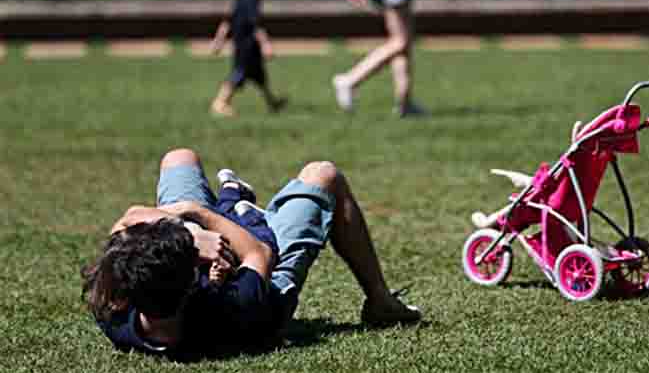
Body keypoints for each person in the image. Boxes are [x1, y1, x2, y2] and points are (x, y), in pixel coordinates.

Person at [82, 148, 421, 358]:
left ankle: (227, 198)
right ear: (192, 282)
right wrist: (198, 217)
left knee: (179, 158)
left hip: (193, 261)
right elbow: (257, 253)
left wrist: (188, 236)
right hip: (267, 273)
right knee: (324, 174)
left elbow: (126, 223)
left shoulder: (114, 309)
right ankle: (380, 302)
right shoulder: (232, 306)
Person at [210, 0, 285, 117]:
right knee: (238, 74)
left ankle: (272, 102)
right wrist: (266, 44)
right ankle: (220, 102)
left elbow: (226, 23)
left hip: (245, 46)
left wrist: (218, 41)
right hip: (247, 47)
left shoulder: (240, 0)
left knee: (259, 76)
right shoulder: (251, 0)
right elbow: (256, 25)